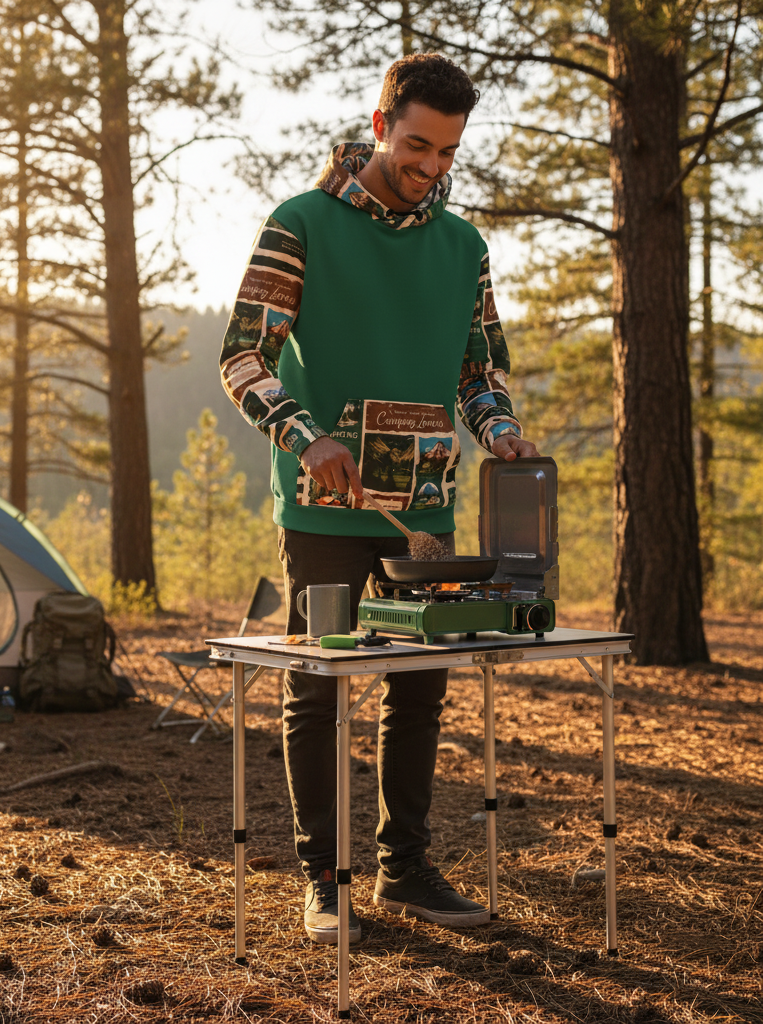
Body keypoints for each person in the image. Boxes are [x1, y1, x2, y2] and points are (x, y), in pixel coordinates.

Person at [219, 53, 539, 945]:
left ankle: (405, 868)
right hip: (320, 510)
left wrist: (499, 430)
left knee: (419, 688)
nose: (430, 167)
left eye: (447, 153)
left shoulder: (465, 246)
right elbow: (241, 356)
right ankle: (325, 876)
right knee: (317, 690)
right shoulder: (300, 226)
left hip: (425, 518)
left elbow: (480, 374)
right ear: (378, 125)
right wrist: (302, 434)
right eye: (416, 145)